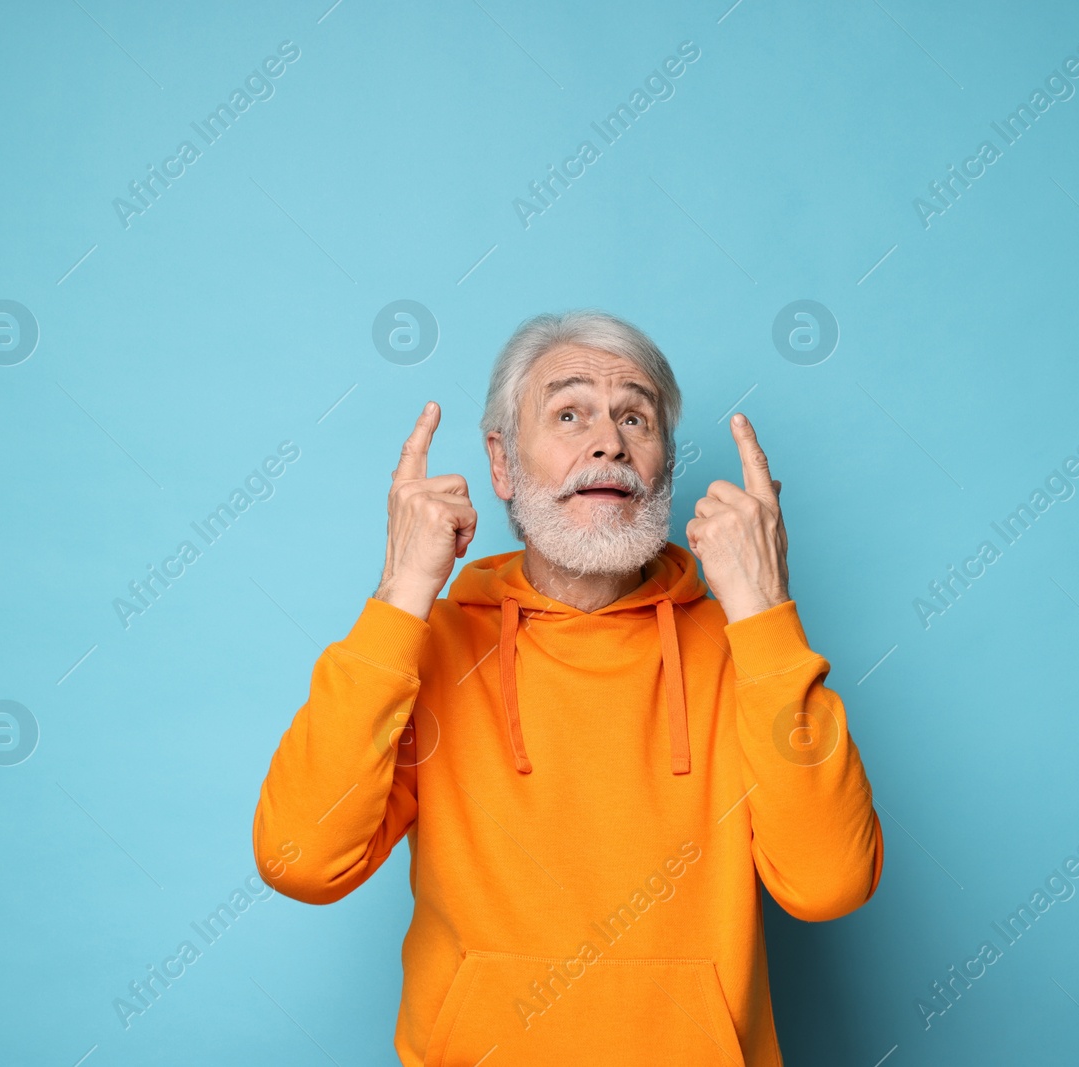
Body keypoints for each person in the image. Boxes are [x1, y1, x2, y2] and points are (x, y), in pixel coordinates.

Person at [252, 309, 883, 1065]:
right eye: (569, 411)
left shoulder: (743, 649)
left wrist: (764, 608)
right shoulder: (429, 648)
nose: (608, 441)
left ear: (663, 464)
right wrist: (400, 593)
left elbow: (830, 884)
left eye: (634, 417)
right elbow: (300, 858)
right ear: (502, 462)